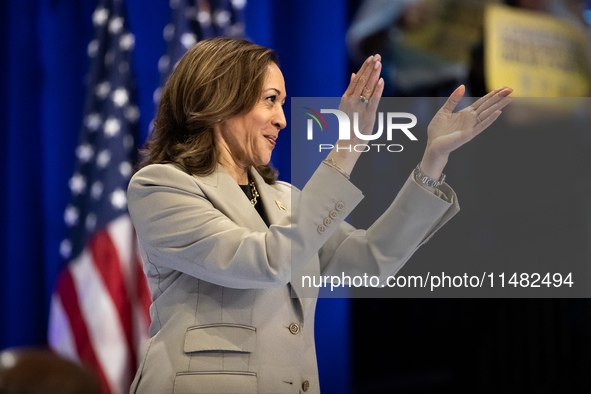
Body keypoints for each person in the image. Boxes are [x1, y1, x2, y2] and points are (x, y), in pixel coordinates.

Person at [127, 37, 511, 394]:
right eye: (270, 100)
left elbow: (372, 260)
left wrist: (432, 162)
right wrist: (346, 148)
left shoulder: (286, 200)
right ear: (220, 100)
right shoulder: (161, 187)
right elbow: (268, 261)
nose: (282, 119)